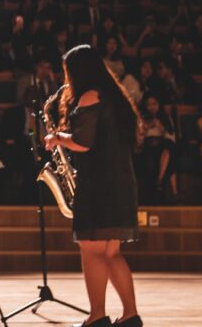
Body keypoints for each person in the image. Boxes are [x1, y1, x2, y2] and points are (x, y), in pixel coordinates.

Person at [44, 45, 142, 327]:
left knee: (92, 252)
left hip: (100, 186)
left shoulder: (89, 97)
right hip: (118, 184)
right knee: (112, 253)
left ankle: (97, 316)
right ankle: (130, 315)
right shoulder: (113, 95)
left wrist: (58, 138)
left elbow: (83, 143)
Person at [135, 95, 178, 203]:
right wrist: (146, 128)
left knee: (169, 149)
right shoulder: (141, 118)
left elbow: (171, 137)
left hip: (163, 145)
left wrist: (161, 128)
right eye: (149, 104)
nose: (152, 107)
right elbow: (138, 139)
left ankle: (160, 179)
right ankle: (173, 191)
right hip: (148, 145)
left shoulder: (165, 117)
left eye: (154, 104)